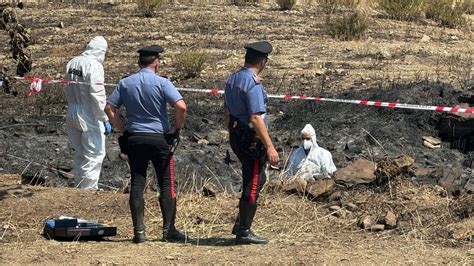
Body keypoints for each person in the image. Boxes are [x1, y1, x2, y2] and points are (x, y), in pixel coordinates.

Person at [104, 45, 188, 244]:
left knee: (137, 182)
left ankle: (139, 232)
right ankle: (168, 230)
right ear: (156, 63)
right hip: (159, 137)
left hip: (135, 138)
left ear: (138, 63)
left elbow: (109, 108)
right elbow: (181, 106)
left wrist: (122, 129)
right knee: (166, 183)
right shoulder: (162, 82)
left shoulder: (125, 83)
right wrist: (176, 128)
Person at [224, 41, 280, 245]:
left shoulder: (232, 79)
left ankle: (241, 223)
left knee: (258, 178)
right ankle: (244, 231)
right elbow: (256, 118)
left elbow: (227, 111)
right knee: (253, 180)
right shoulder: (253, 83)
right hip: (251, 139)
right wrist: (269, 146)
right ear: (263, 61)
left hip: (236, 135)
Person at [64, 36, 111, 190]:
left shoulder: (72, 62)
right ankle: (89, 190)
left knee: (80, 152)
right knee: (94, 153)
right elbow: (97, 94)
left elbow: (67, 87)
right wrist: (104, 118)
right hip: (88, 112)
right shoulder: (94, 65)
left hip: (72, 110)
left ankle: (79, 186)